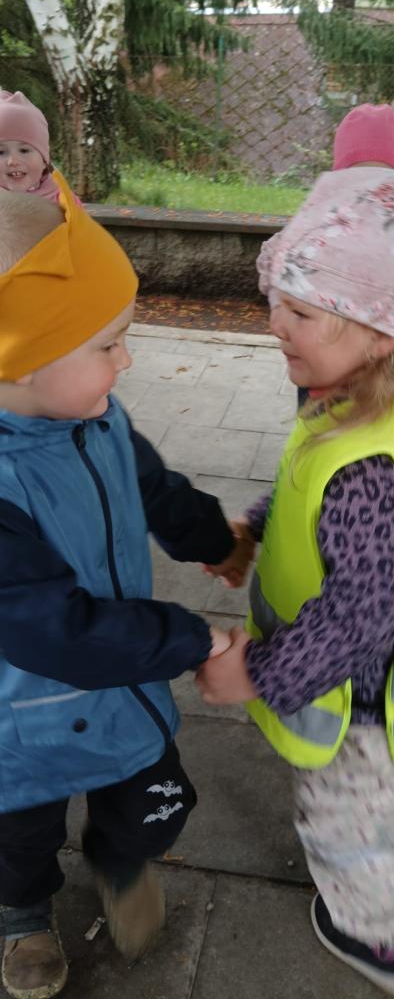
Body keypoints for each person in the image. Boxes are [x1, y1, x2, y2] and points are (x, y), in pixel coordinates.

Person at [197, 167, 394, 994]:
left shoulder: (374, 471)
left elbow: (357, 618)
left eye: (301, 313)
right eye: (278, 301)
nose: (274, 324)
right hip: (392, 669)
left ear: (378, 332)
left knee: (346, 823)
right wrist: (258, 523)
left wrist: (257, 672)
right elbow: (313, 480)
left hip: (361, 698)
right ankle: (390, 777)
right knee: (370, 788)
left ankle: (377, 935)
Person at [0, 176, 241, 999]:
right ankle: (22, 914)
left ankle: (120, 858)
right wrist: (194, 637)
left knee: (151, 800)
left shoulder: (94, 414)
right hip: (19, 719)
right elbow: (56, 632)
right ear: (22, 356)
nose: (126, 360)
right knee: (17, 832)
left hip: (121, 679)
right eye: (107, 344)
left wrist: (214, 539)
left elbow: (150, 486)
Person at [295, 103, 394, 412]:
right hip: (322, 352)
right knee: (317, 422)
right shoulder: (320, 218)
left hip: (376, 359)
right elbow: (281, 263)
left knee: (370, 423)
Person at [0, 90, 75, 203]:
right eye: (1, 152)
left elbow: (78, 215)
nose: (13, 161)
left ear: (44, 161)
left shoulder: (63, 199)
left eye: (24, 150)